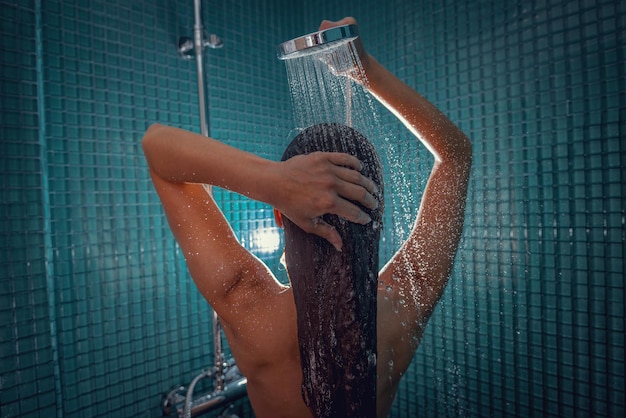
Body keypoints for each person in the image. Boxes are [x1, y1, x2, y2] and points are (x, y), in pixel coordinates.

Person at [142, 16, 472, 418]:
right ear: (374, 219)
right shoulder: (402, 304)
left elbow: (157, 147)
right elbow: (456, 154)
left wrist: (272, 181)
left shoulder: (246, 303)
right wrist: (364, 69)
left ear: (280, 216)